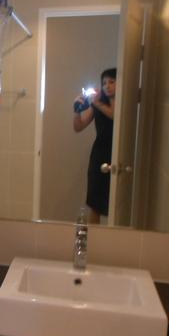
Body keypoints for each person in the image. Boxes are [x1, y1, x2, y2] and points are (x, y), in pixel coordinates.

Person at [72, 68, 116, 224]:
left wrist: (97, 103)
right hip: (99, 155)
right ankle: (94, 236)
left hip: (118, 155)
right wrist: (76, 111)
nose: (107, 86)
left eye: (111, 81)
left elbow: (115, 114)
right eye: (104, 83)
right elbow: (78, 127)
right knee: (95, 203)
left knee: (116, 203)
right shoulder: (98, 105)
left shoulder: (125, 103)